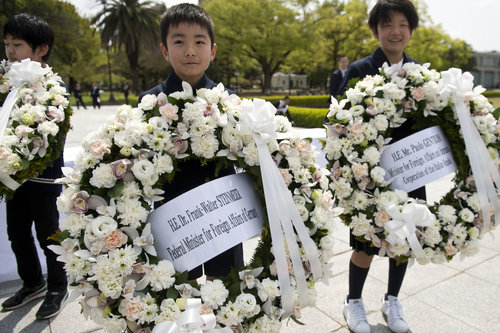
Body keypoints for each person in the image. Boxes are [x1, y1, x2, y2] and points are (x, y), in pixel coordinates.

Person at [137, 3, 243, 280]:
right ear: (164, 50)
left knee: (226, 287)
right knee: (180, 294)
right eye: (179, 42)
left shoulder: (229, 101)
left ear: (213, 50)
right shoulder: (151, 103)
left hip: (224, 215)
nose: (190, 51)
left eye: (199, 42)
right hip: (175, 215)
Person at [338, 1, 421, 333]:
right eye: (387, 25)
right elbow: (339, 121)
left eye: (402, 24)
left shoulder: (420, 73)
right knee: (366, 243)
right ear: (376, 31)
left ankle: (392, 300)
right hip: (369, 176)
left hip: (411, 171)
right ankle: (354, 302)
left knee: (402, 242)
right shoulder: (360, 70)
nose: (395, 31)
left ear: (411, 30)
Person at [2, 13, 68, 320]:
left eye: (17, 44)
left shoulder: (54, 88)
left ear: (41, 50)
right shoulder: (8, 86)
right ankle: (32, 283)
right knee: (17, 233)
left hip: (44, 180)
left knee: (49, 235)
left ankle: (57, 286)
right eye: (6, 44)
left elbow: (52, 135)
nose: (10, 51)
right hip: (12, 178)